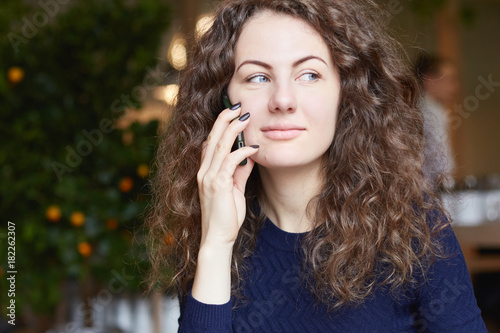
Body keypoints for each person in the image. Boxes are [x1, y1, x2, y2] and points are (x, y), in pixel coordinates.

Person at [146, 0, 487, 332]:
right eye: (258, 77)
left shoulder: (415, 227)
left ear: (346, 92)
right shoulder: (209, 236)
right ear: (223, 100)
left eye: (309, 75)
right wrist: (217, 244)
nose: (282, 100)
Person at [413, 55, 459, 190]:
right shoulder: (431, 111)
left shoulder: (415, 107)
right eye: (450, 80)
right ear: (430, 81)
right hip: (428, 192)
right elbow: (442, 164)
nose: (455, 86)